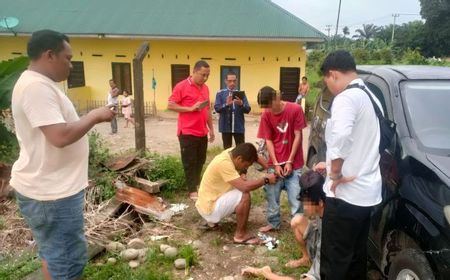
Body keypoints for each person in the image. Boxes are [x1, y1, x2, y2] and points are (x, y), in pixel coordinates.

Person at [10, 29, 115, 280]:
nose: (71, 64)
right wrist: (94, 116)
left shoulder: (39, 84)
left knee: (54, 255)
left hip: (50, 189)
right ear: (49, 55)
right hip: (52, 196)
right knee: (67, 261)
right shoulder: (36, 87)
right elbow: (60, 137)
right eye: (67, 58)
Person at [318, 50, 382, 280]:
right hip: (366, 193)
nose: (329, 88)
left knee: (335, 260)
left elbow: (342, 137)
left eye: (327, 82)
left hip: (345, 196)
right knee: (356, 257)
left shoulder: (346, 98)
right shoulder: (369, 95)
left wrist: (334, 174)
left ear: (333, 74)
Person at [241, 168, 326, 280]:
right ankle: (306, 259)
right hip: (320, 242)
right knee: (297, 220)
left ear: (319, 202)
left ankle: (265, 272)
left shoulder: (331, 232)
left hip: (328, 256)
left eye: (307, 203)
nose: (304, 206)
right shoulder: (324, 205)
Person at [196, 143, 276, 244]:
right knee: (244, 194)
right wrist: (266, 180)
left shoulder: (232, 152)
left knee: (238, 186)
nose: (246, 167)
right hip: (209, 209)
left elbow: (256, 157)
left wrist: (269, 169)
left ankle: (212, 222)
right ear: (239, 159)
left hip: (205, 202)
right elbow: (244, 186)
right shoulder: (224, 164)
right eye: (245, 165)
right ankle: (240, 236)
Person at [257, 86, 307, 232]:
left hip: (295, 162)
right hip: (275, 163)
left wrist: (290, 161)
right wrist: (277, 163)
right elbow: (269, 140)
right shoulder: (266, 114)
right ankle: (273, 223)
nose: (269, 110)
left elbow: (298, 136)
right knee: (272, 195)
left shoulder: (295, 109)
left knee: (296, 196)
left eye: (269, 105)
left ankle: (298, 225)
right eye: (266, 107)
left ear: (276, 98)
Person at [168, 60, 215, 200]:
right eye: (203, 75)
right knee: (190, 161)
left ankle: (196, 184)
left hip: (202, 131)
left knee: (201, 160)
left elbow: (207, 110)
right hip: (187, 131)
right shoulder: (181, 86)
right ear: (194, 72)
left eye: (208, 75)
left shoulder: (205, 88)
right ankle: (191, 190)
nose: (205, 78)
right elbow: (170, 105)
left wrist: (211, 129)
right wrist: (189, 108)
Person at [214, 71, 251, 149]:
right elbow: (217, 108)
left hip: (238, 126)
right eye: (230, 81)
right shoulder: (220, 93)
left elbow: (248, 109)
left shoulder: (241, 93)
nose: (232, 83)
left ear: (236, 81)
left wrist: (241, 104)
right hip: (225, 127)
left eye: (234, 81)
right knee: (227, 150)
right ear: (225, 81)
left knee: (241, 149)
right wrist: (226, 105)